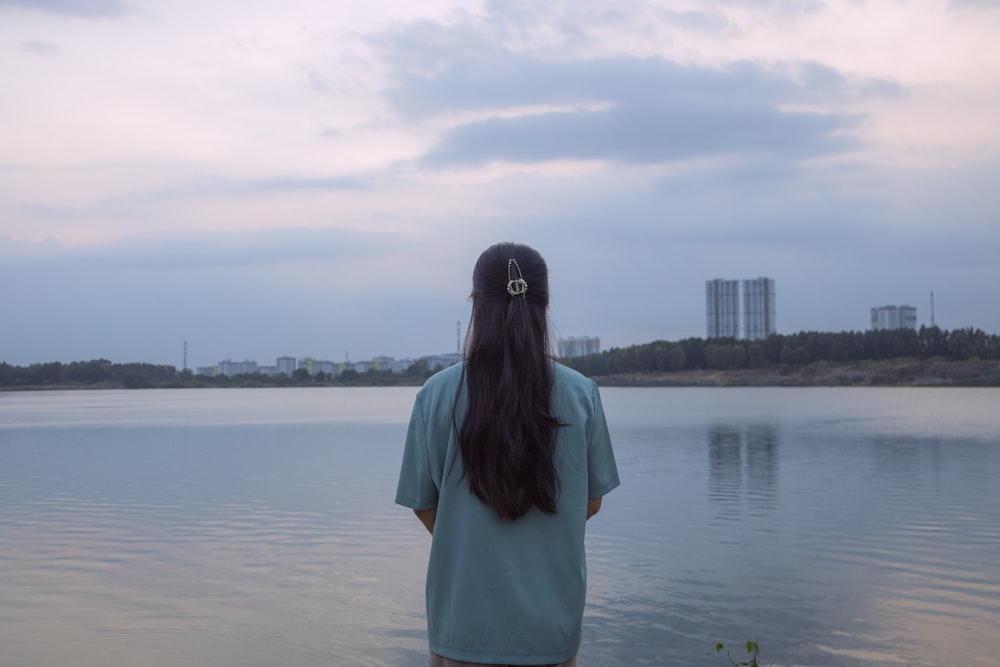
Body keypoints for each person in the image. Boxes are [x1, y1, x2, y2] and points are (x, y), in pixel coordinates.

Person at [395, 242, 620, 667]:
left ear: (477, 306)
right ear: (543, 305)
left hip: (462, 625)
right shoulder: (581, 394)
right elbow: (590, 501)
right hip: (550, 629)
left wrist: (473, 536)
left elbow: (423, 505)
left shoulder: (436, 395)